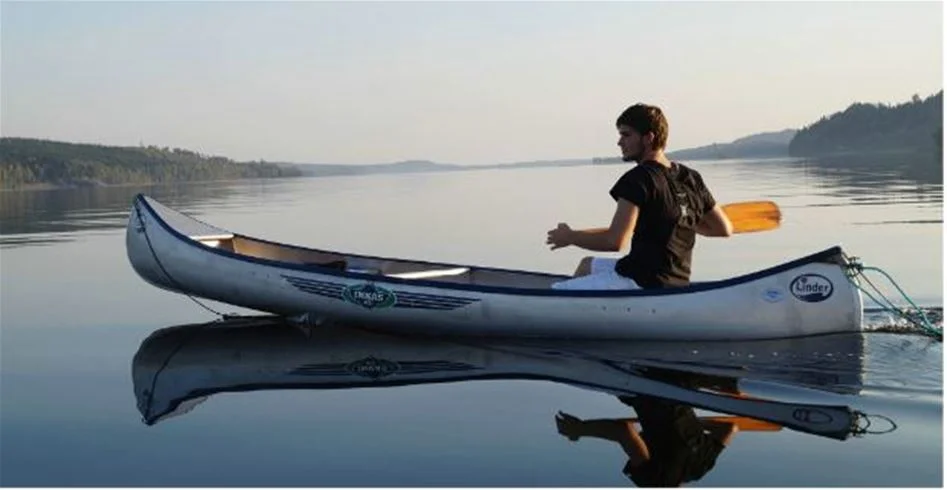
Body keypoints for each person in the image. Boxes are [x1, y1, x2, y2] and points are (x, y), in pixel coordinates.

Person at [547, 103, 733, 290]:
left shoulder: (638, 179)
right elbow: (723, 228)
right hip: (677, 281)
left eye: (626, 135)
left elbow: (615, 242)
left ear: (648, 138)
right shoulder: (691, 177)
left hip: (639, 282)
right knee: (587, 265)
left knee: (555, 292)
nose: (619, 142)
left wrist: (570, 237)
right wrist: (679, 221)